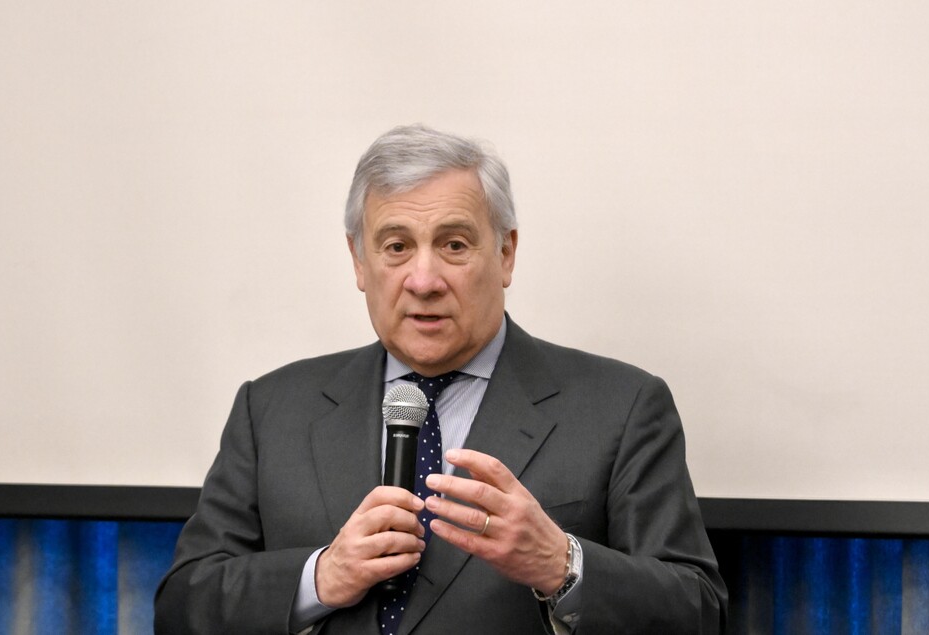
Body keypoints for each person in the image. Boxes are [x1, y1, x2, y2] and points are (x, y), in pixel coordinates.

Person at [154, 124, 727, 634]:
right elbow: (181, 607)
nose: (423, 279)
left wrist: (561, 564)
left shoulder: (623, 407)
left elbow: (698, 611)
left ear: (506, 253)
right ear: (359, 261)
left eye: (453, 245)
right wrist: (321, 578)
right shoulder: (270, 408)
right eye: (396, 247)